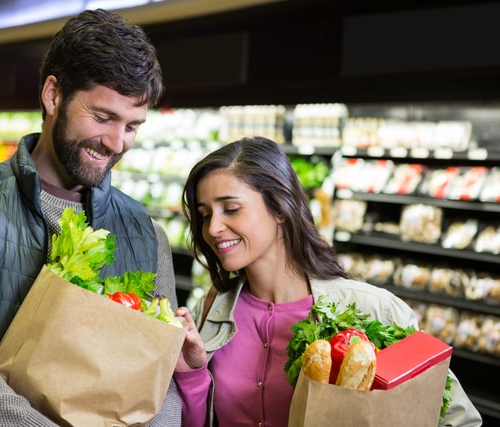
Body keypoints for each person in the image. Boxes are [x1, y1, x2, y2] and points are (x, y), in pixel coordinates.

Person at [0, 9, 182, 426]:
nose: (116, 142)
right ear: (53, 95)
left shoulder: (147, 235)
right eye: (103, 117)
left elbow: (163, 382)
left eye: (132, 126)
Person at [173, 136, 482, 427]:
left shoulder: (373, 311)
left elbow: (458, 418)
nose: (213, 228)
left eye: (231, 209)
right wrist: (191, 374)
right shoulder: (210, 311)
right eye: (204, 214)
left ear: (280, 207)